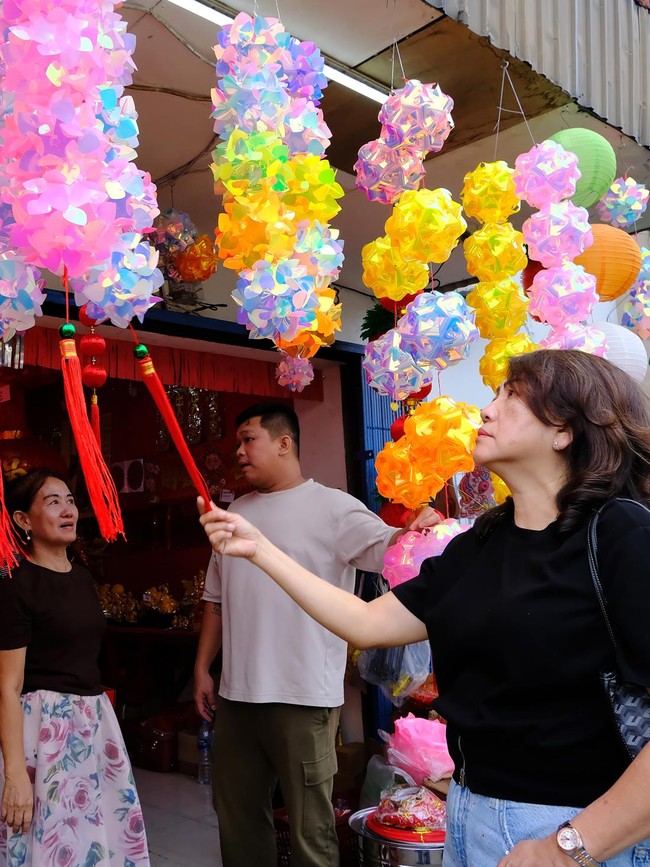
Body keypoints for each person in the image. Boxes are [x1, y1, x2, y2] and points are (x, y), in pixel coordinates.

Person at [198, 351, 650, 867]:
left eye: (511, 397)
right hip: (467, 812)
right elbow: (367, 623)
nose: (487, 410)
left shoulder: (620, 533)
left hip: (575, 828)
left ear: (564, 432)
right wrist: (260, 549)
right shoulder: (478, 545)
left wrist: (568, 847)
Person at [193, 402, 437, 867]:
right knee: (238, 820)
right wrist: (203, 668)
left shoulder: (333, 507)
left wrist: (413, 529)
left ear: (284, 443)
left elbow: (388, 545)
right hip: (237, 697)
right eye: (238, 443)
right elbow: (215, 601)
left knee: (310, 830)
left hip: (303, 697)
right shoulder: (233, 513)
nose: (239, 452)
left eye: (249, 440)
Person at [0, 468, 149, 867]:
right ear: (22, 520)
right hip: (43, 730)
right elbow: (8, 687)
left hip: (93, 721)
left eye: (70, 501)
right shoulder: (15, 583)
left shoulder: (82, 577)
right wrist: (15, 773)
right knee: (49, 845)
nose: (68, 510)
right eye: (53, 502)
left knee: (96, 841)